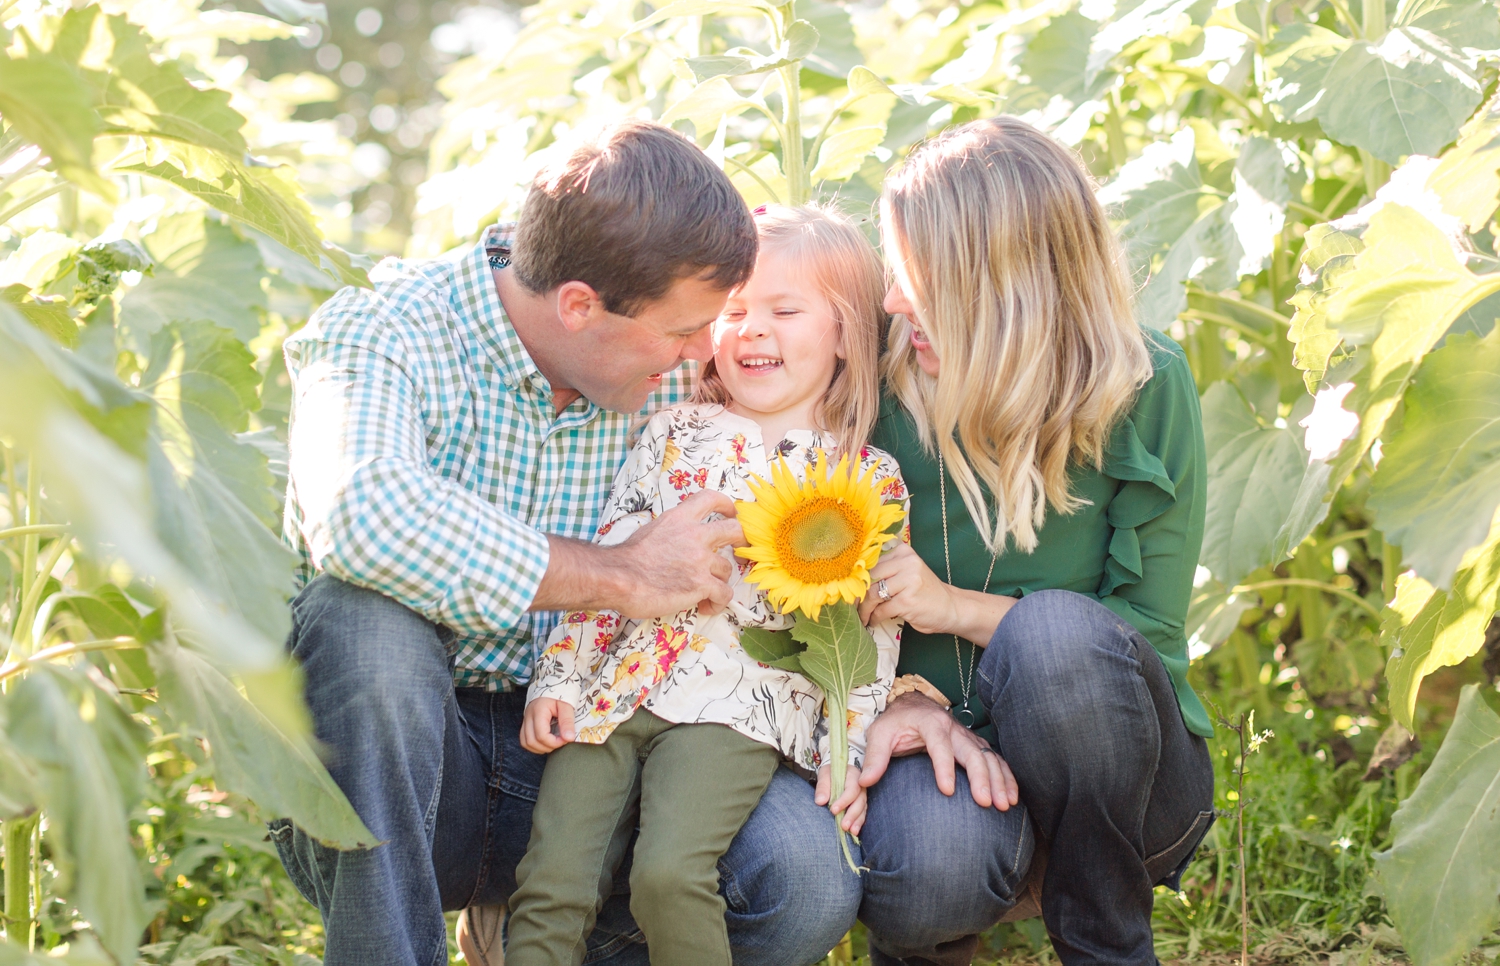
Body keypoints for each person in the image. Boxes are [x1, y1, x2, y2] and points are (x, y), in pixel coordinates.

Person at [269, 122, 859, 966]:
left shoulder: (678, 362)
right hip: (408, 775)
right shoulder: (384, 329)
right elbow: (360, 513)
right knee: (360, 625)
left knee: (801, 877)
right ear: (580, 304)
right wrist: (621, 574)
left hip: (611, 751)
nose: (709, 352)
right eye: (685, 331)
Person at [852, 117, 1217, 966]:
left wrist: (951, 608)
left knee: (1058, 641)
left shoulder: (1144, 384)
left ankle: (1107, 946)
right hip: (936, 749)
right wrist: (899, 699)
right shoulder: (874, 382)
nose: (892, 302)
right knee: (927, 870)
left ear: (1008, 289)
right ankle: (930, 935)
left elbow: (1146, 642)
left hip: (1124, 783)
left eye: (918, 279)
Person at [505, 204, 906, 966]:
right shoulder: (671, 435)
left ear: (847, 332)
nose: (752, 330)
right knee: (553, 877)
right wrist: (559, 675)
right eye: (732, 312)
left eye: (784, 311)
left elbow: (869, 631)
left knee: (669, 875)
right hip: (619, 683)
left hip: (738, 708)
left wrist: (842, 747)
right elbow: (610, 553)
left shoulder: (866, 479)